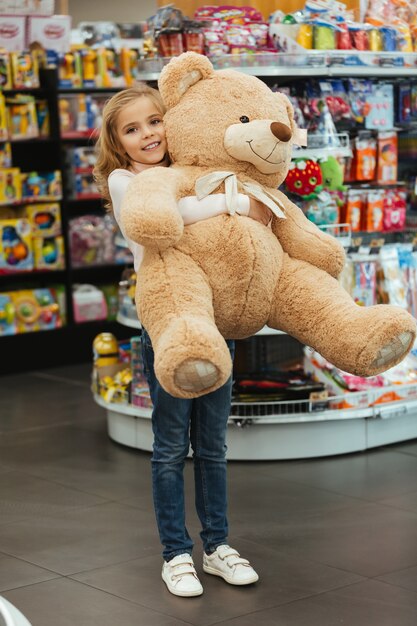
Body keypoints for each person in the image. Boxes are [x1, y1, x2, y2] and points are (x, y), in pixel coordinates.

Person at [94, 84, 271, 598]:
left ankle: (216, 546)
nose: (148, 134)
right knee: (171, 445)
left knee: (213, 445)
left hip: (216, 317)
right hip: (168, 323)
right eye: (133, 129)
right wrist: (233, 201)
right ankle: (176, 553)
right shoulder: (128, 182)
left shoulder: (194, 170)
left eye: (155, 121)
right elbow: (173, 222)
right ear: (118, 142)